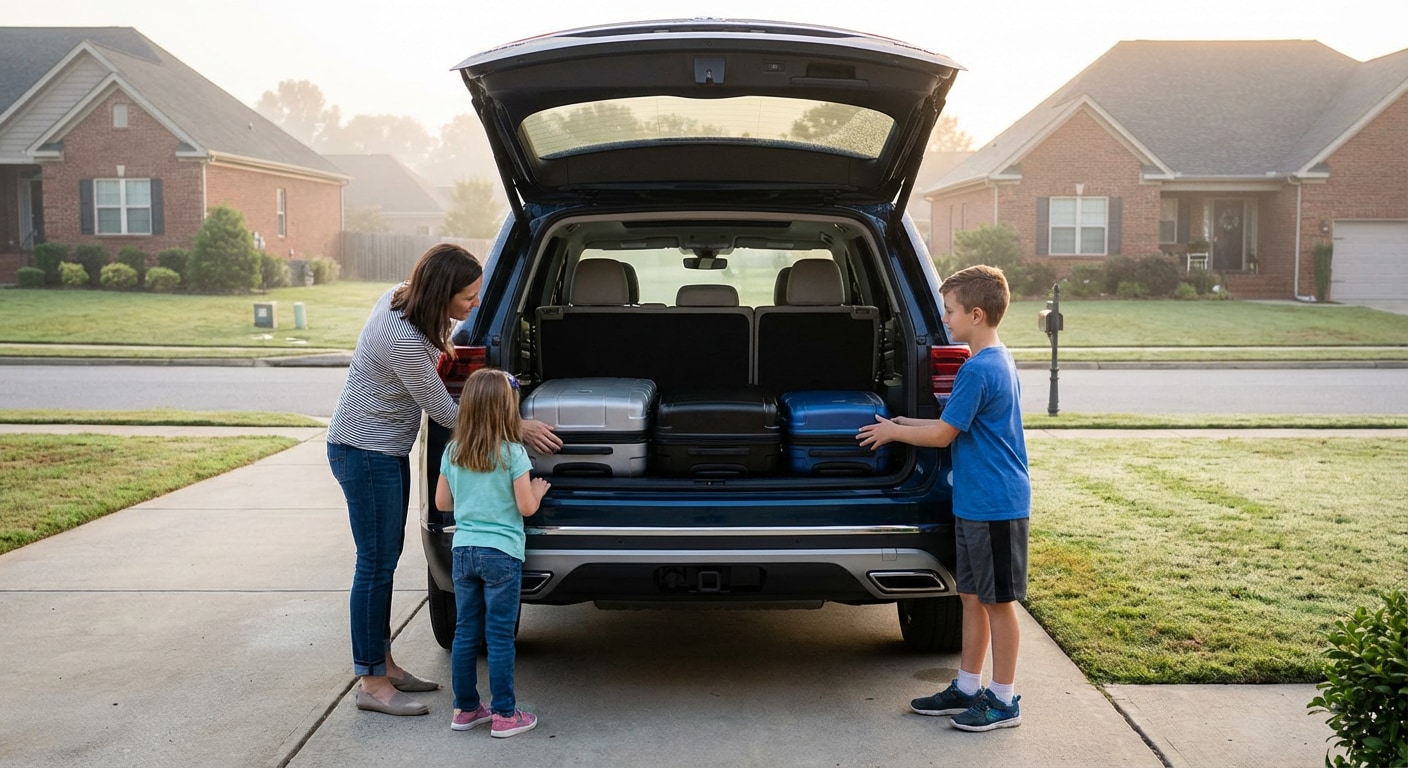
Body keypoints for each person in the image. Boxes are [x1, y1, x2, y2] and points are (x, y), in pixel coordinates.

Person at [326, 243, 562, 717]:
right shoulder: (404, 341)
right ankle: (371, 681)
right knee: (375, 565)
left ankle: (382, 663)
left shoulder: (402, 297)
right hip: (365, 452)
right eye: (469, 297)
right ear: (441, 293)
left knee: (382, 560)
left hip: (379, 449)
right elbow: (450, 412)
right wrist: (516, 425)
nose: (475, 305)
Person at [857, 264, 1031, 732]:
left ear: (976, 314)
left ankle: (1004, 699)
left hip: (997, 504)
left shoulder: (979, 369)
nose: (945, 320)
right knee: (971, 596)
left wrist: (896, 430)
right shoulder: (992, 359)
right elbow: (946, 426)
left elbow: (942, 434)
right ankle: (968, 686)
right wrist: (895, 426)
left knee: (1000, 603)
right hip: (976, 502)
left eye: (950, 312)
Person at [435, 367, 550, 738]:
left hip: (464, 551)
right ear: (508, 410)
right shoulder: (514, 453)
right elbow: (527, 507)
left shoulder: (453, 450)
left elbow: (441, 501)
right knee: (499, 636)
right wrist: (538, 489)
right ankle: (504, 714)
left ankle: (466, 709)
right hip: (501, 554)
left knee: (466, 632)